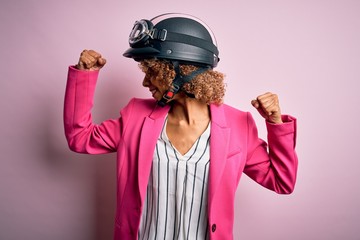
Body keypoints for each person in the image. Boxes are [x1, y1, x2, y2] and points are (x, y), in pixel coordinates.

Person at [64, 13, 298, 240]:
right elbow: (80, 137)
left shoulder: (239, 126)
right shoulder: (136, 117)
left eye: (153, 72)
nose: (145, 81)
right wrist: (84, 75)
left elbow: (282, 182)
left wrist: (275, 123)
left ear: (183, 72)